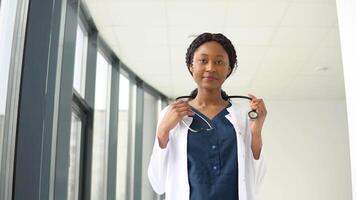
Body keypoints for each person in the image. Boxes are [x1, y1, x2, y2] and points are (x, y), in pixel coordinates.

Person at [148, 32, 267, 200]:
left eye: (219, 62)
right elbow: (158, 183)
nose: (210, 67)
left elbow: (256, 183)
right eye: (203, 60)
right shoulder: (171, 115)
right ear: (191, 65)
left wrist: (256, 131)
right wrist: (162, 132)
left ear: (229, 69)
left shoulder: (243, 116)